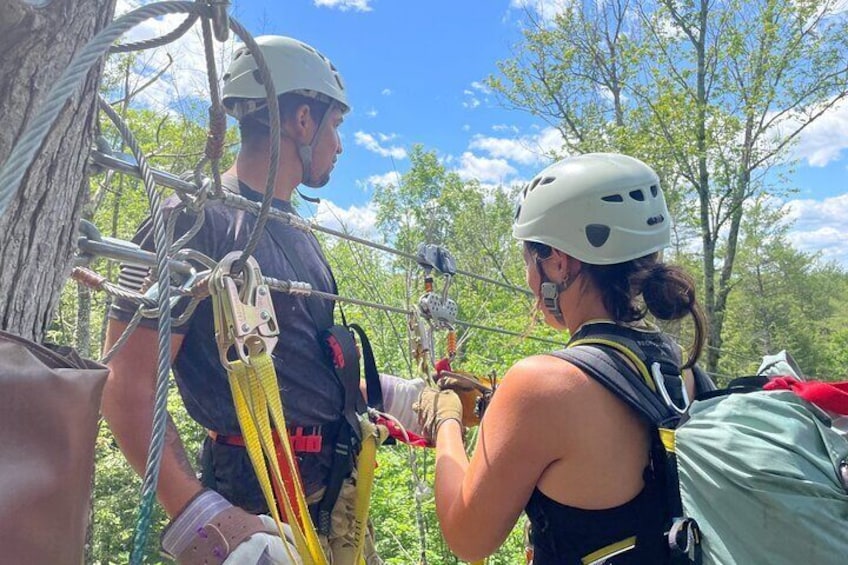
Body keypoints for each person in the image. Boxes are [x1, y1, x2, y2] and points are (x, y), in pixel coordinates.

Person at [102, 35, 419, 564]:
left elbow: (307, 374)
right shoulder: (192, 219)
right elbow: (125, 381)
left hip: (334, 502)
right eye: (334, 125)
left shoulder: (298, 231)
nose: (339, 145)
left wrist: (409, 400)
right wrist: (201, 514)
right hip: (253, 510)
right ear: (301, 119)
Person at [415, 153, 714, 563]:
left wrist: (445, 419)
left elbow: (468, 540)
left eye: (528, 258)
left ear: (558, 260)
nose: (527, 277)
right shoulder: (679, 367)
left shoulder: (542, 385)